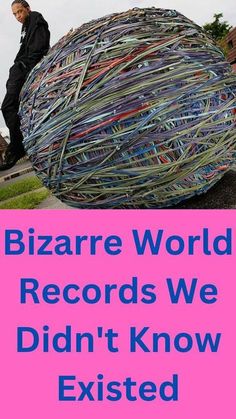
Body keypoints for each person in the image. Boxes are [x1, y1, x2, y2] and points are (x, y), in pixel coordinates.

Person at [0, 0, 50, 171]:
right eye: (15, 14)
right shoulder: (25, 26)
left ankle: (17, 146)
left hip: (25, 69)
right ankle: (22, 142)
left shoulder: (36, 19)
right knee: (12, 107)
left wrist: (24, 68)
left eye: (20, 12)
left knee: (7, 106)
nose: (18, 16)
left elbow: (39, 48)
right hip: (20, 68)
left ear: (28, 9)